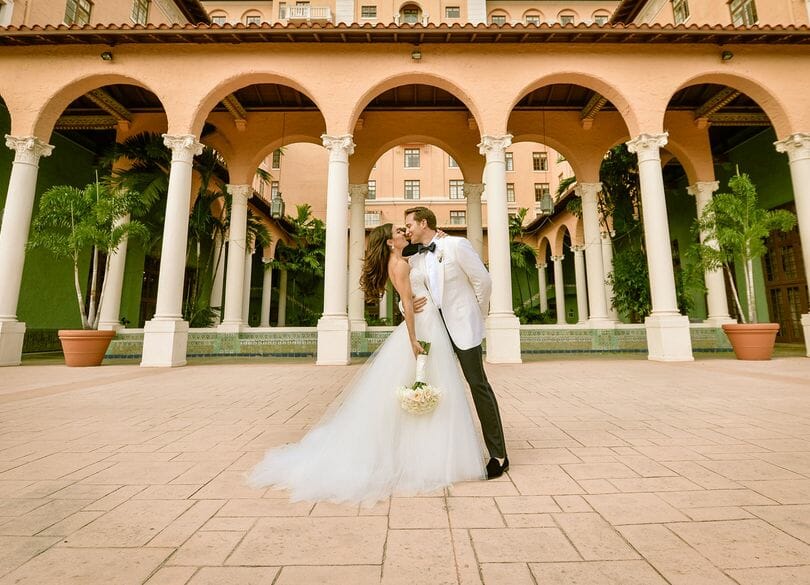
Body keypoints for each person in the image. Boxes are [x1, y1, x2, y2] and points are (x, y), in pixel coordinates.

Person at [247, 223, 485, 506]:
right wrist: (412, 338)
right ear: (388, 242)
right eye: (399, 231)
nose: (404, 233)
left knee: (431, 387)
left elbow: (427, 276)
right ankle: (417, 457)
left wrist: (440, 239)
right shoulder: (398, 263)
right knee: (421, 386)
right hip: (420, 330)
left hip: (433, 324)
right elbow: (407, 301)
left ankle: (425, 452)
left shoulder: (408, 256)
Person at [404, 206, 509, 479]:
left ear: (423, 223)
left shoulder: (456, 245)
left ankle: (499, 455)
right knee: (436, 386)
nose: (407, 230)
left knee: (478, 385)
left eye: (410, 225)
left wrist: (476, 311)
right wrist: (408, 308)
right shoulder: (414, 260)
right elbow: (411, 294)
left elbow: (483, 281)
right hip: (433, 330)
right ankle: (446, 453)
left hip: (463, 326)